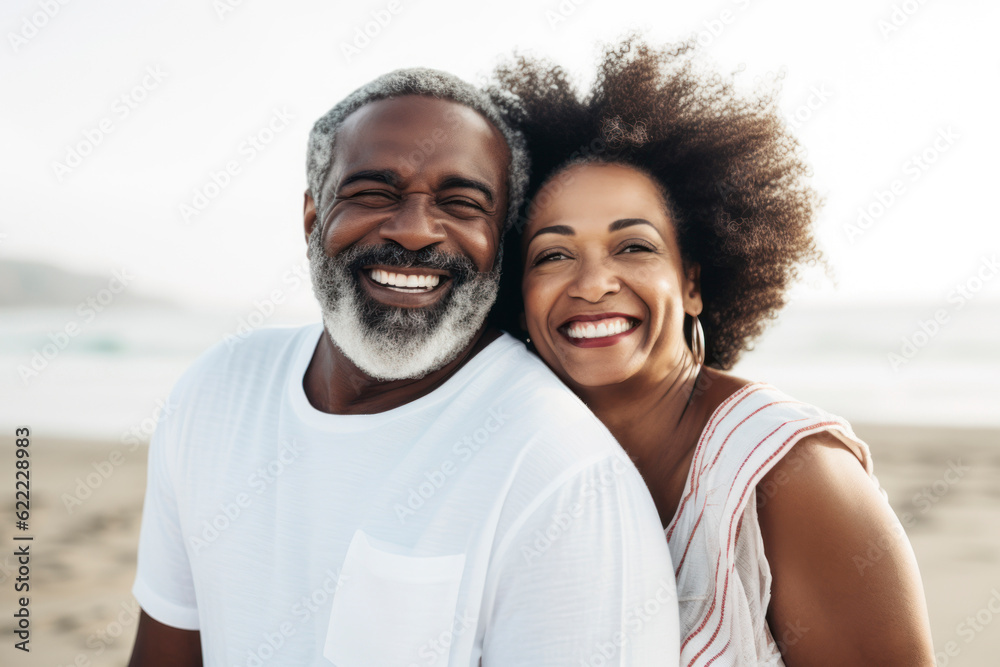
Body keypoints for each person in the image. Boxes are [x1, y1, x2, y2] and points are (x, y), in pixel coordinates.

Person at [127, 68, 681, 667]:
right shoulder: (216, 392)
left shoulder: (563, 476)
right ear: (313, 217)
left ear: (501, 241)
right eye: (372, 192)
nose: (415, 231)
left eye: (462, 203)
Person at [488, 38, 936, 666]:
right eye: (554, 255)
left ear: (693, 283)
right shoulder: (515, 454)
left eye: (634, 247)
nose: (592, 284)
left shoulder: (790, 474)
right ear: (517, 293)